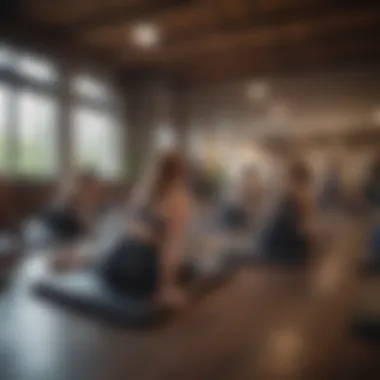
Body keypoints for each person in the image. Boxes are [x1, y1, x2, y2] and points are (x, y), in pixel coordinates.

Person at [100, 151, 193, 308]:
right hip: (138, 272)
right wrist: (166, 288)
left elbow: (126, 231)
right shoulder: (179, 200)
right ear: (180, 174)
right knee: (189, 271)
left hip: (113, 267)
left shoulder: (141, 193)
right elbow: (172, 247)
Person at [260, 161, 318, 261]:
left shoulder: (288, 197)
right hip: (283, 255)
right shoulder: (294, 199)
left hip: (279, 251)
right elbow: (308, 231)